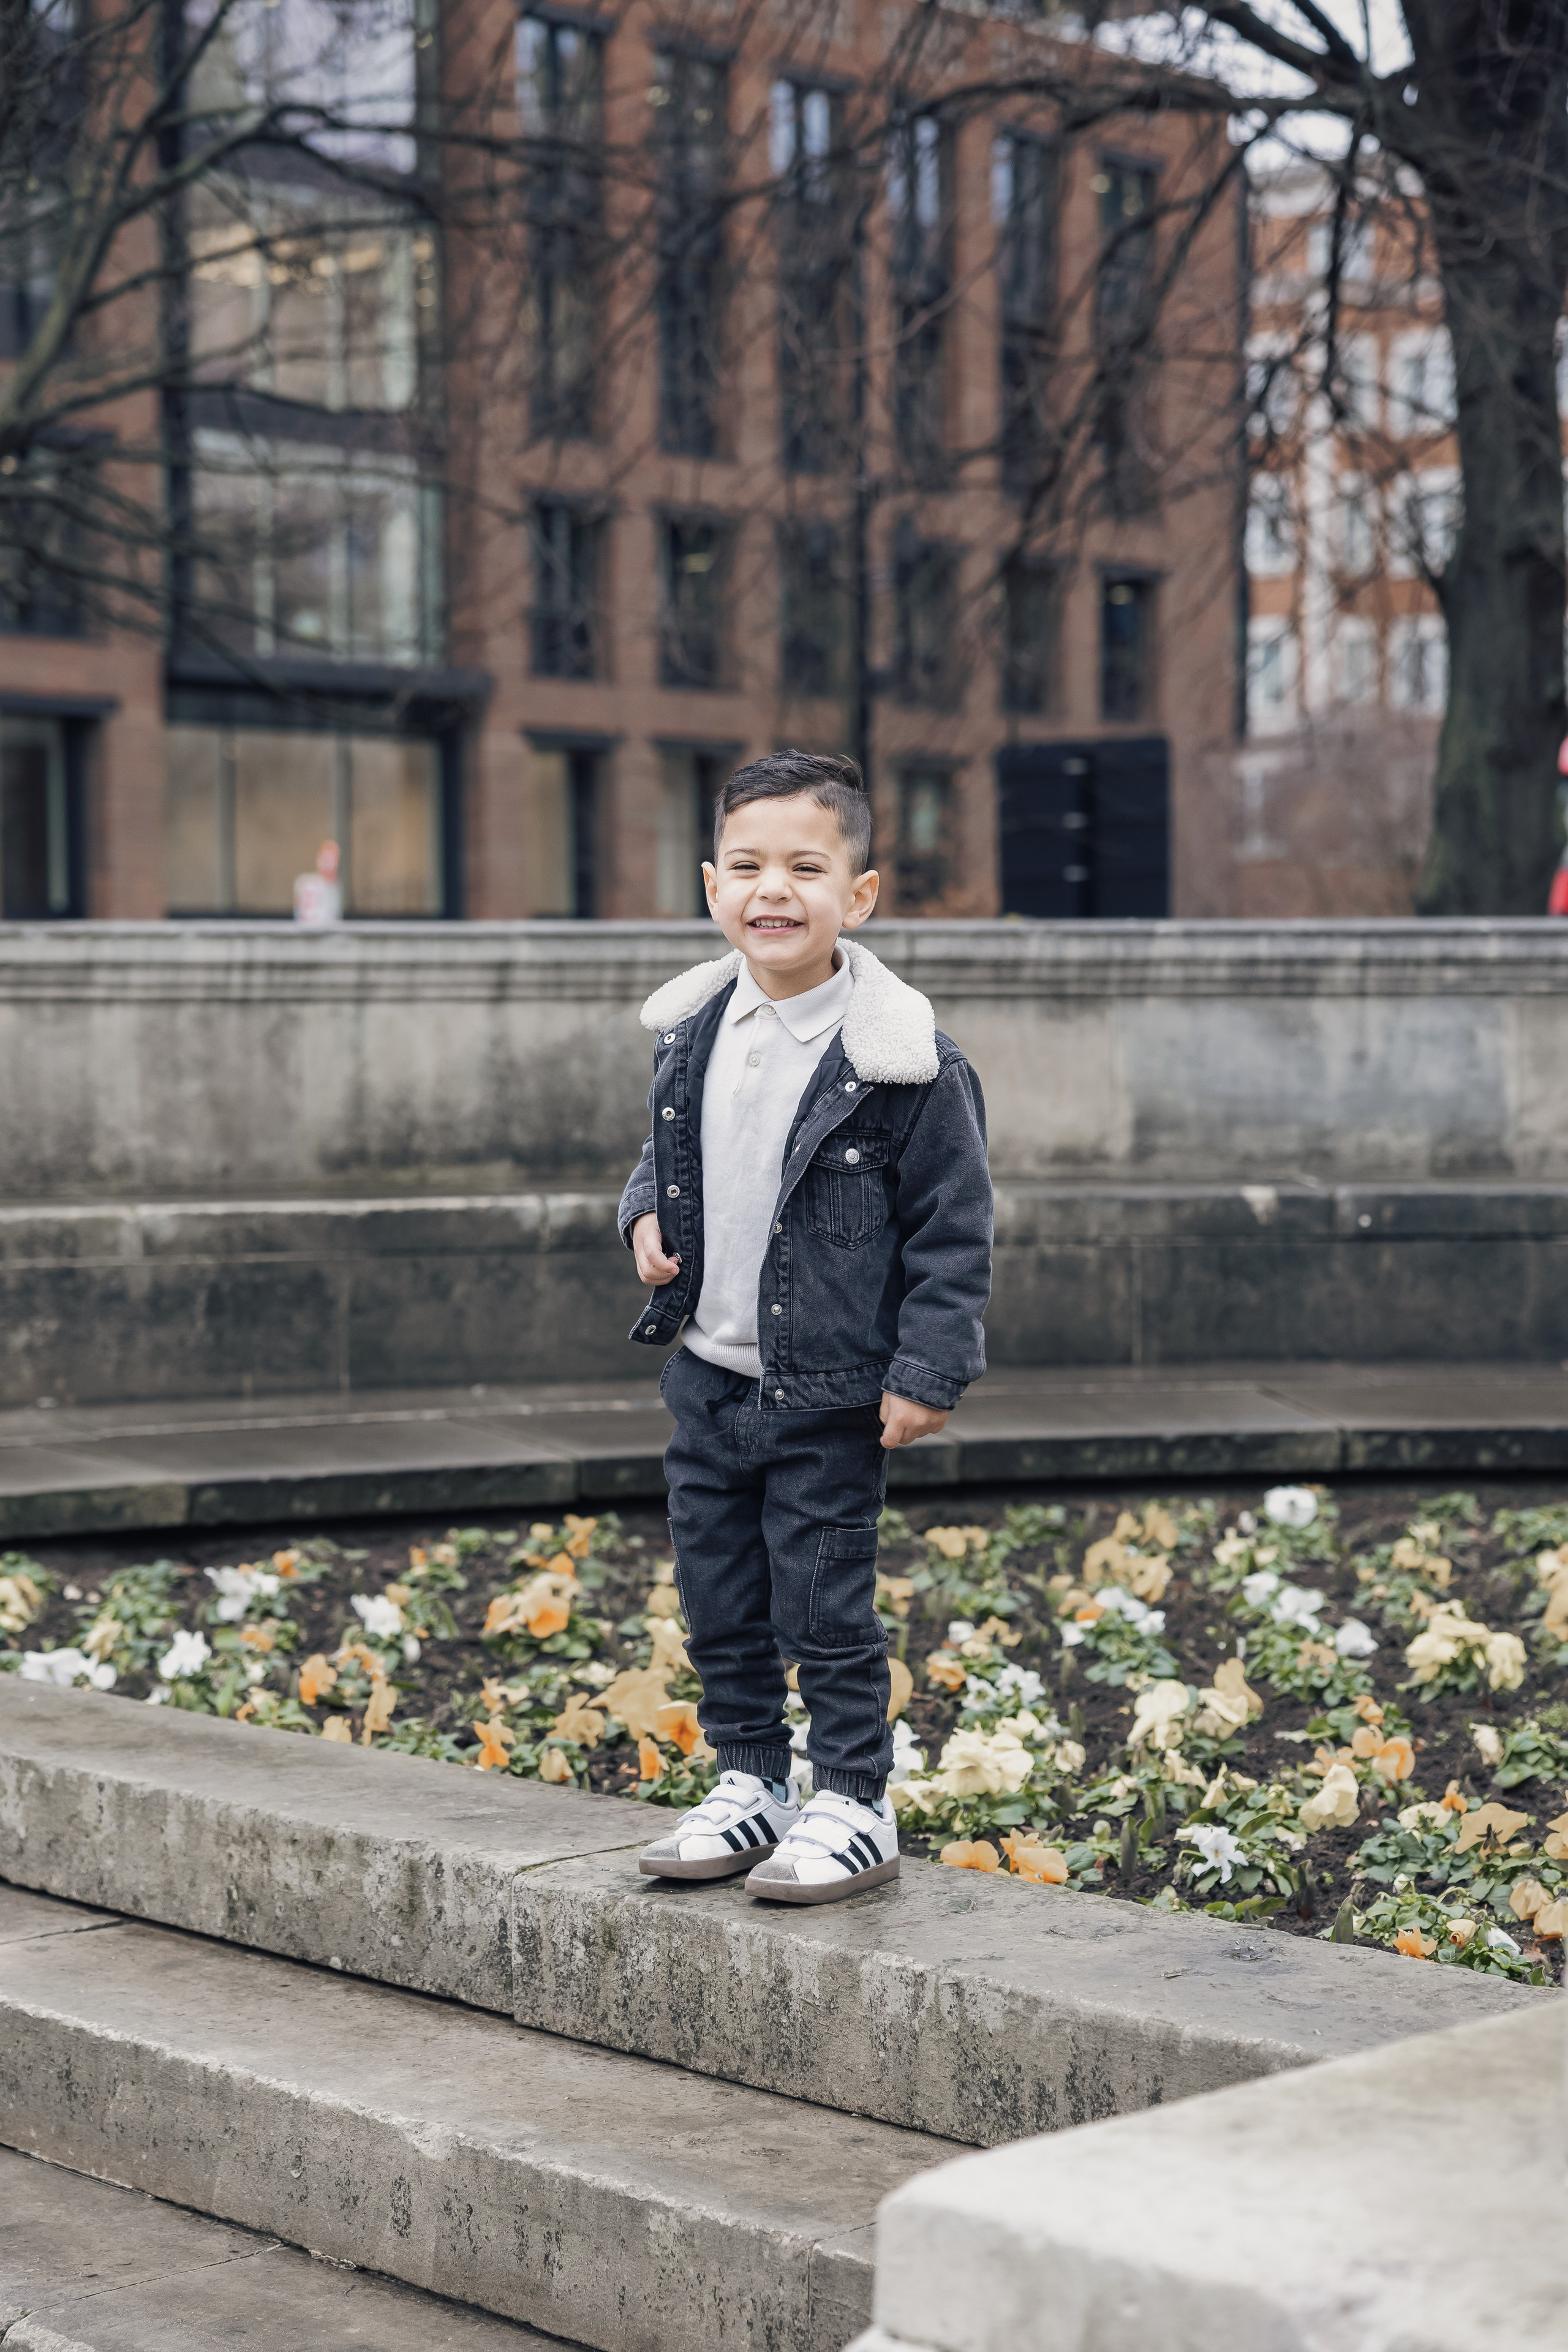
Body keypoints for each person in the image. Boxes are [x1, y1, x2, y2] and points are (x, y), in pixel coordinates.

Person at [619, 749, 993, 1904]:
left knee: (825, 1600)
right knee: (718, 1597)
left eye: (804, 867)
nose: (771, 890)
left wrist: (928, 1368)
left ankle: (852, 1797)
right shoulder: (696, 1033)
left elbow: (953, 1231)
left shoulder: (903, 1066)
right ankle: (752, 1778)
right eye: (747, 865)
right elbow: (665, 1155)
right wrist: (641, 1213)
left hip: (828, 1390)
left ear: (859, 895)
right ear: (710, 885)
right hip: (709, 1379)